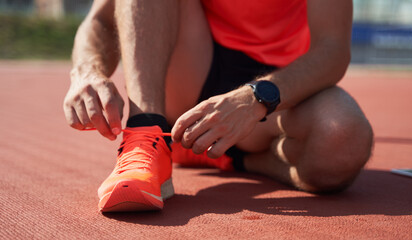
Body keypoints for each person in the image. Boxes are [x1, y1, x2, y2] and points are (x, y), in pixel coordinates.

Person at [63, 0, 373, 212]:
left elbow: (332, 49)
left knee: (343, 138)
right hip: (191, 63)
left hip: (279, 90)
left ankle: (225, 156)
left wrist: (255, 98)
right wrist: (85, 73)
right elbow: (102, 20)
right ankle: (148, 135)